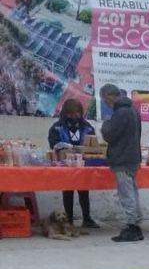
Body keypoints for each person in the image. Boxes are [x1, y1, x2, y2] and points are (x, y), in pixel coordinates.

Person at [99, 84, 143, 242]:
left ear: (110, 96)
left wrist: (105, 124)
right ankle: (136, 223)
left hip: (122, 158)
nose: (105, 102)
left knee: (126, 193)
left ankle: (131, 226)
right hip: (133, 157)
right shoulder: (133, 110)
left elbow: (109, 135)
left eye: (104, 99)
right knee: (132, 191)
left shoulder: (120, 112)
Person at [48, 99, 99, 228]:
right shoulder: (57, 127)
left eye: (77, 114)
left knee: (83, 191)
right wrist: (66, 147)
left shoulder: (87, 127)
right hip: (65, 165)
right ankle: (69, 220)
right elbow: (53, 144)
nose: (74, 117)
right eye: (71, 114)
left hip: (83, 165)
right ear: (65, 113)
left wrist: (85, 150)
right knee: (68, 191)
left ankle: (87, 218)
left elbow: (93, 144)